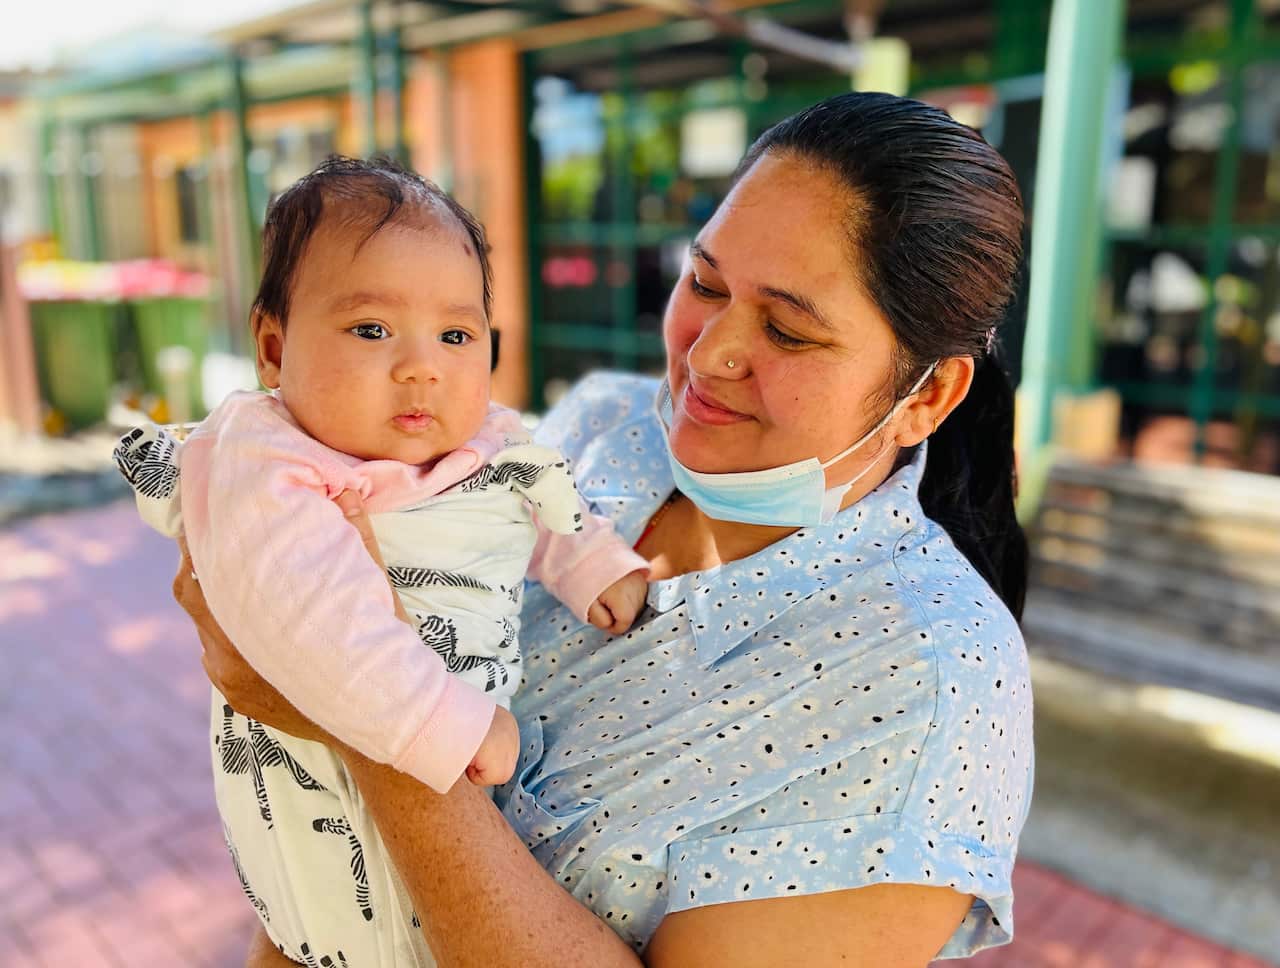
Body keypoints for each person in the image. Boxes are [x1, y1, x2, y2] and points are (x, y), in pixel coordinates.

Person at [176, 92, 1035, 967]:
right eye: (705, 283)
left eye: (786, 331)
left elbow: (339, 669)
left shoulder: (933, 691)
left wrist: (360, 716)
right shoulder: (604, 427)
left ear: (927, 395)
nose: (706, 354)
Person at [118, 157, 649, 967]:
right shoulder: (264, 456)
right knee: (334, 902)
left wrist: (589, 562)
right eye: (371, 330)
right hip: (344, 751)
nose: (422, 366)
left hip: (460, 794)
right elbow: (312, 618)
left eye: (456, 335)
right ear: (273, 348)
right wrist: (445, 723)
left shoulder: (488, 437)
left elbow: (535, 491)